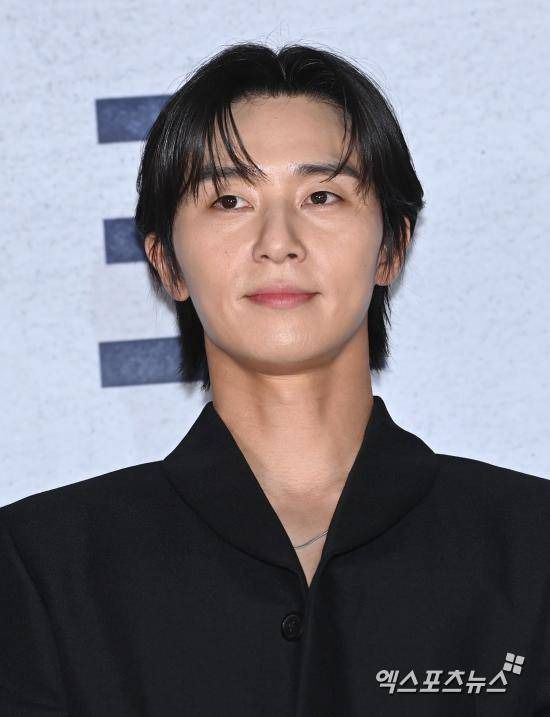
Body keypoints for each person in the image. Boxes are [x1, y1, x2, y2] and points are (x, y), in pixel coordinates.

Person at [1, 42, 549, 717]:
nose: (278, 241)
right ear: (166, 264)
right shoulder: (44, 568)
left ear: (392, 247)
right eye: (229, 200)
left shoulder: (532, 547)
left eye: (322, 195)